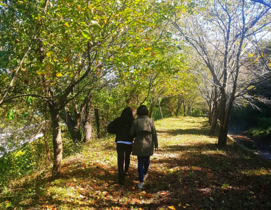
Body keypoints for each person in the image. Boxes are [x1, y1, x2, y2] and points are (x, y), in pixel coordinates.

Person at [130, 105, 158, 189]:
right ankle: (145, 173)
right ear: (146, 112)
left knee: (140, 162)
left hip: (139, 143)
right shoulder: (150, 121)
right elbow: (154, 133)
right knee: (147, 160)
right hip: (148, 143)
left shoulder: (135, 121)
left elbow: (131, 133)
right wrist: (156, 144)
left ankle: (141, 181)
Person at [107, 107, 134, 185]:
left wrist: (116, 132)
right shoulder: (132, 121)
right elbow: (135, 131)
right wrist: (132, 136)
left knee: (120, 158)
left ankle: (120, 177)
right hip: (129, 142)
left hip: (120, 142)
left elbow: (109, 128)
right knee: (127, 157)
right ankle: (126, 171)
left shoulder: (118, 120)